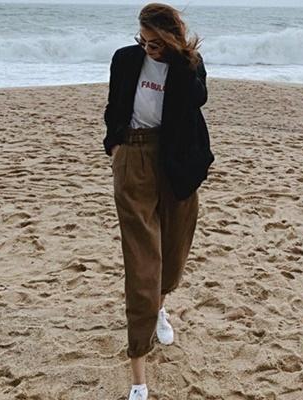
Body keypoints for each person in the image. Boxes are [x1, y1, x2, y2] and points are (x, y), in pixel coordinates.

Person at [102, 3, 214, 400]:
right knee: (141, 262)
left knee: (174, 251)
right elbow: (114, 105)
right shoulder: (125, 59)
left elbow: (198, 99)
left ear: (170, 39)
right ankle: (138, 377)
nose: (147, 49)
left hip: (175, 163)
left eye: (154, 43)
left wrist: (180, 60)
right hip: (133, 156)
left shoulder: (189, 66)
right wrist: (115, 146)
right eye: (143, 41)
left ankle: (159, 304)